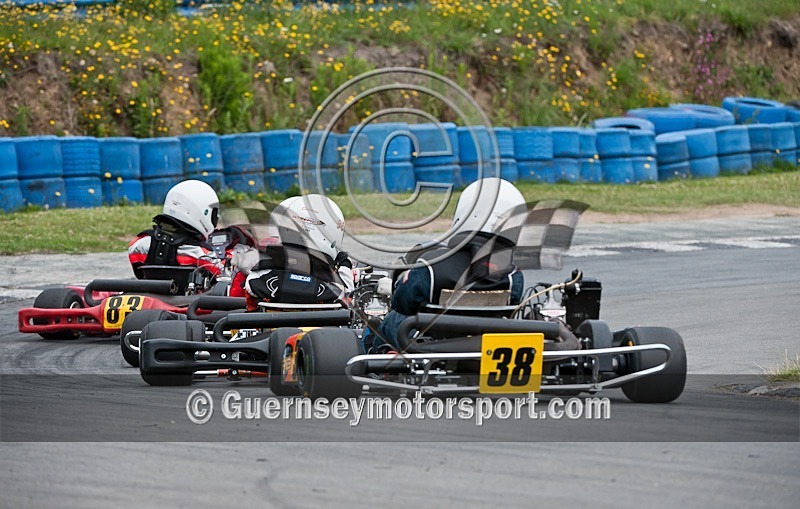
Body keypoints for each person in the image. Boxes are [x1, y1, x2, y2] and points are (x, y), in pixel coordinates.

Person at [373, 178, 527, 351]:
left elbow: (402, 303)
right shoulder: (512, 275)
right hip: (487, 345)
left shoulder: (430, 266)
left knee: (393, 318)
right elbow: (511, 311)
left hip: (429, 345)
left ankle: (373, 357)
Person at [243, 194, 355, 311]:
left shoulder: (259, 277)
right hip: (324, 319)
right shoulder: (335, 285)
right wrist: (345, 264)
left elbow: (249, 291)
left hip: (269, 320)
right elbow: (349, 295)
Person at [128, 179, 224, 279]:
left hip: (149, 288)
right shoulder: (200, 254)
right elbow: (221, 274)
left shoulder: (139, 245)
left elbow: (139, 274)